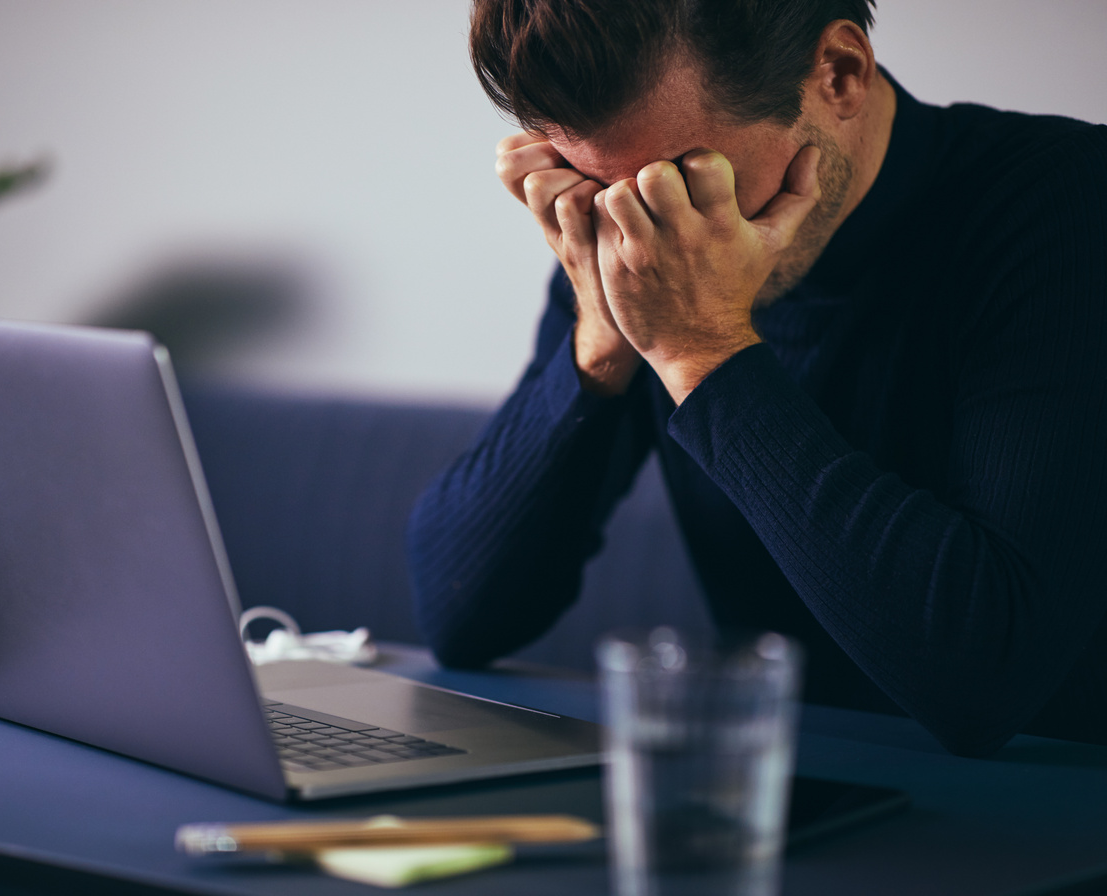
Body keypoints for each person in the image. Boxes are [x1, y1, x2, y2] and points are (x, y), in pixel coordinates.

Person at [406, 0, 1107, 757]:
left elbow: (986, 681)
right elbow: (459, 618)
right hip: (785, 795)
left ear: (839, 76)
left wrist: (702, 353)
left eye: (686, 179)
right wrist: (601, 339)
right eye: (595, 186)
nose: (648, 227)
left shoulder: (1066, 203)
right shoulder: (625, 235)